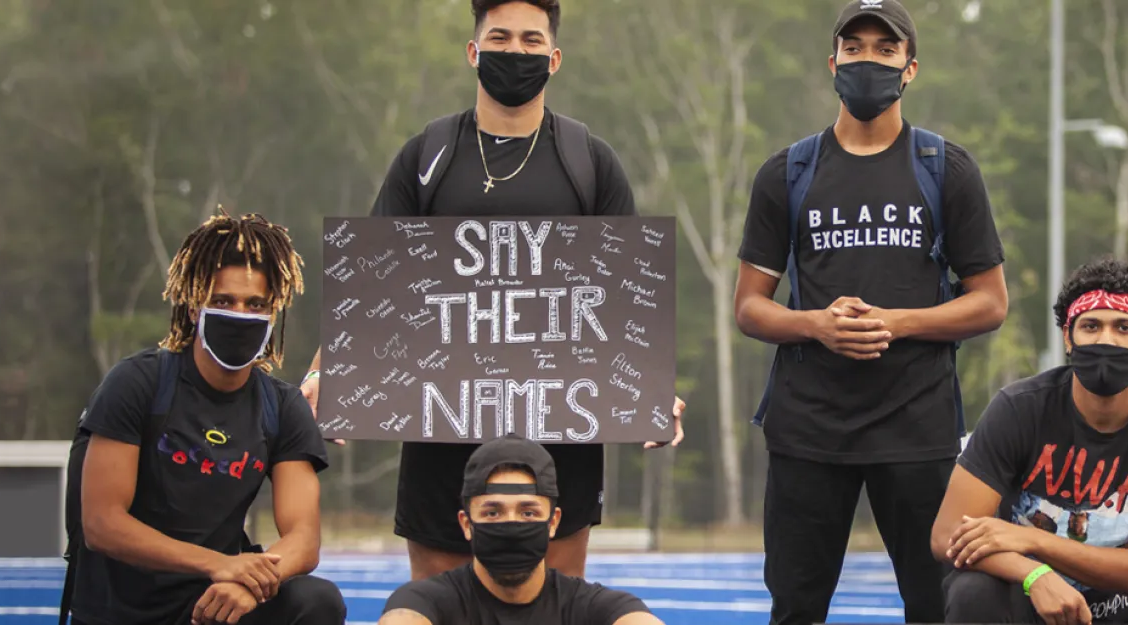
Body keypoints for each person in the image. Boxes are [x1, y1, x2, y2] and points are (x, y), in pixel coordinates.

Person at [296, 0, 686, 582]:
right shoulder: (426, 156)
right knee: (436, 607)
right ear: (473, 53)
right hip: (440, 429)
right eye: (499, 38)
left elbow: (624, 297)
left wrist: (652, 391)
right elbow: (376, 284)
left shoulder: (590, 162)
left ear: (554, 59)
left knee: (553, 606)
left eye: (531, 41)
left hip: (562, 435)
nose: (515, 51)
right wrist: (330, 373)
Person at [732, 0, 1008, 622]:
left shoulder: (946, 169)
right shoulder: (789, 171)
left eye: (885, 50)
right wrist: (815, 325)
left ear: (910, 68)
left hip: (917, 428)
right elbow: (750, 308)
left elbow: (991, 302)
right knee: (796, 607)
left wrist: (898, 320)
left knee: (938, 604)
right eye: (854, 48)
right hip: (808, 430)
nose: (868, 61)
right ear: (832, 64)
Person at [67, 211, 345, 625]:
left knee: (317, 601)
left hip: (212, 607)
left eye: (256, 305)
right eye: (223, 301)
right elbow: (103, 523)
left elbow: (304, 540)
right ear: (196, 307)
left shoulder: (281, 406)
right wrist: (219, 564)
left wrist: (248, 582)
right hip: (122, 610)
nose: (239, 314)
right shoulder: (138, 383)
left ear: (273, 316)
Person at [931, 258, 1128, 624]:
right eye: (1091, 326)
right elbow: (946, 536)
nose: (1105, 340)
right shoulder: (1020, 408)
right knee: (972, 591)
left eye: (1124, 327)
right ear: (1068, 336)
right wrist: (1035, 574)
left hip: (1113, 616)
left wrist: (1033, 542)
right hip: (1024, 607)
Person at [378, 433, 663, 624]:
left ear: (554, 522)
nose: (510, 525)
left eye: (528, 512)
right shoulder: (424, 600)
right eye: (493, 512)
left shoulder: (591, 606)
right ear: (467, 523)